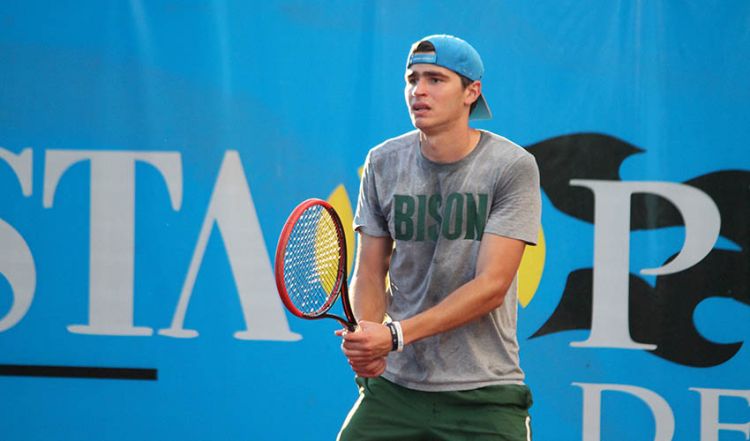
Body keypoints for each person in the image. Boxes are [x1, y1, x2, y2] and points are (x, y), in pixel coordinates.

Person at [336, 34, 541, 441]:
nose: (419, 91)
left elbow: (492, 286)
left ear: (471, 92)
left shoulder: (511, 167)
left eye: (435, 79)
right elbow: (370, 271)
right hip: (394, 391)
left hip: (484, 393)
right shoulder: (382, 162)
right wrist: (369, 337)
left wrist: (393, 336)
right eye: (412, 79)